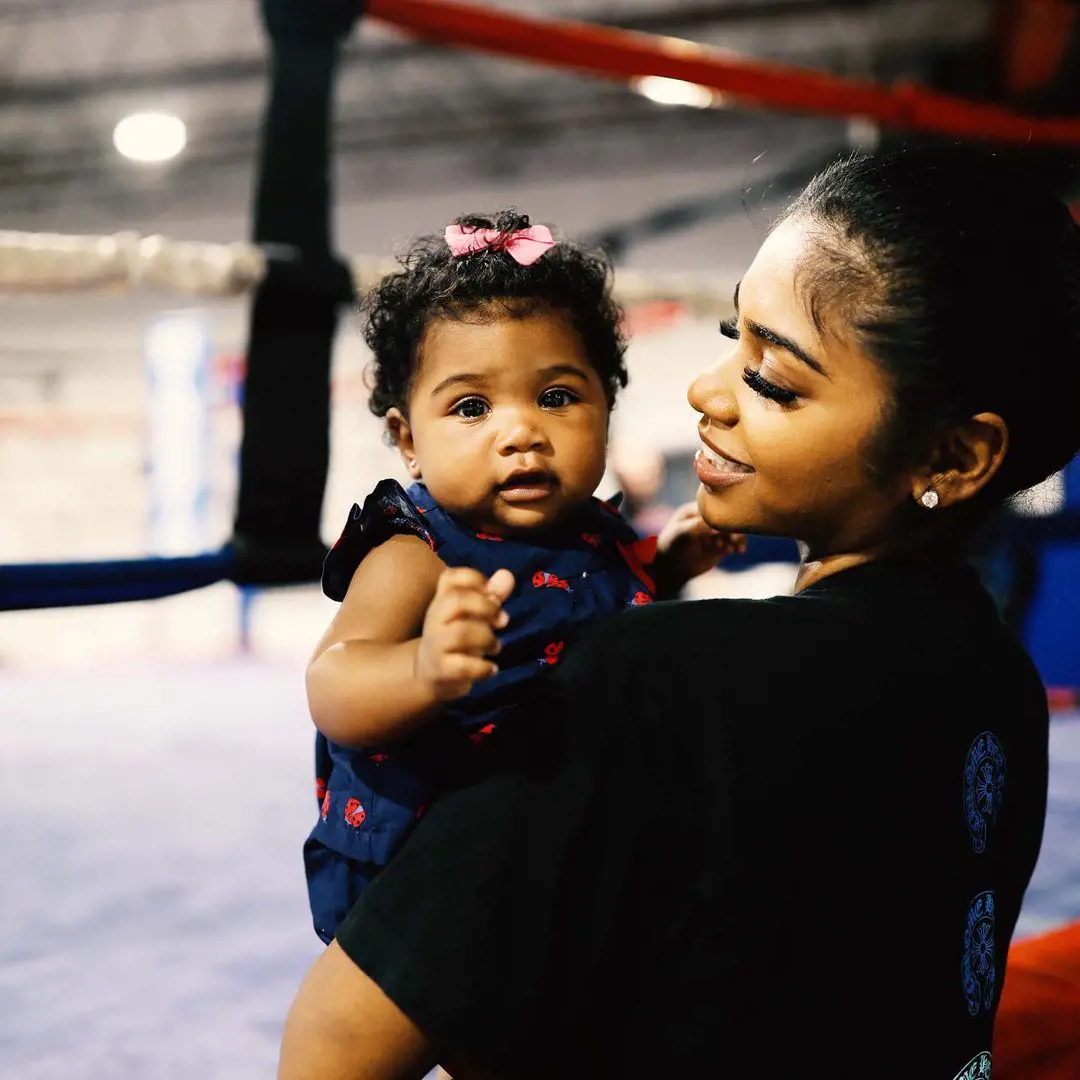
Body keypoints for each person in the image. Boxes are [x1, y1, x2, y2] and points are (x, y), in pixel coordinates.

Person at [279, 146, 1080, 1080]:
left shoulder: (658, 670)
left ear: (952, 456)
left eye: (771, 379)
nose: (706, 392)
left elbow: (334, 1049)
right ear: (406, 436)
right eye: (729, 337)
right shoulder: (1003, 684)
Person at [303, 210, 738, 944]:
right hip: (433, 866)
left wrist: (666, 568)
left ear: (606, 407)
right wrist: (425, 668)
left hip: (564, 840)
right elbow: (333, 687)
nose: (522, 431)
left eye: (558, 397)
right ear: (409, 441)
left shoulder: (595, 533)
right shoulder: (416, 552)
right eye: (472, 407)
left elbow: (598, 633)